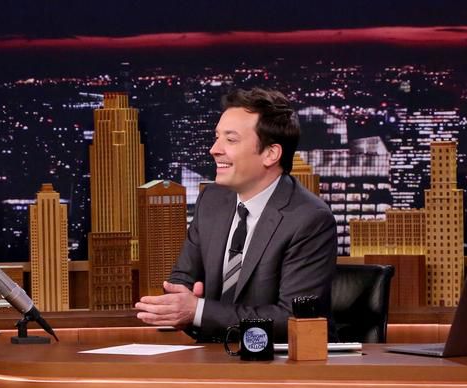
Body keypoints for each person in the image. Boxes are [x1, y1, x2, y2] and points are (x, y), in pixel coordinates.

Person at [136, 88, 337, 341]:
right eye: (216, 137)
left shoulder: (309, 219)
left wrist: (199, 311)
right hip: (212, 354)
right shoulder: (211, 200)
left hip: (278, 362)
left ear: (270, 154)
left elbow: (293, 320)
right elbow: (182, 281)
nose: (214, 149)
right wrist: (180, 302)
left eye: (230, 140)